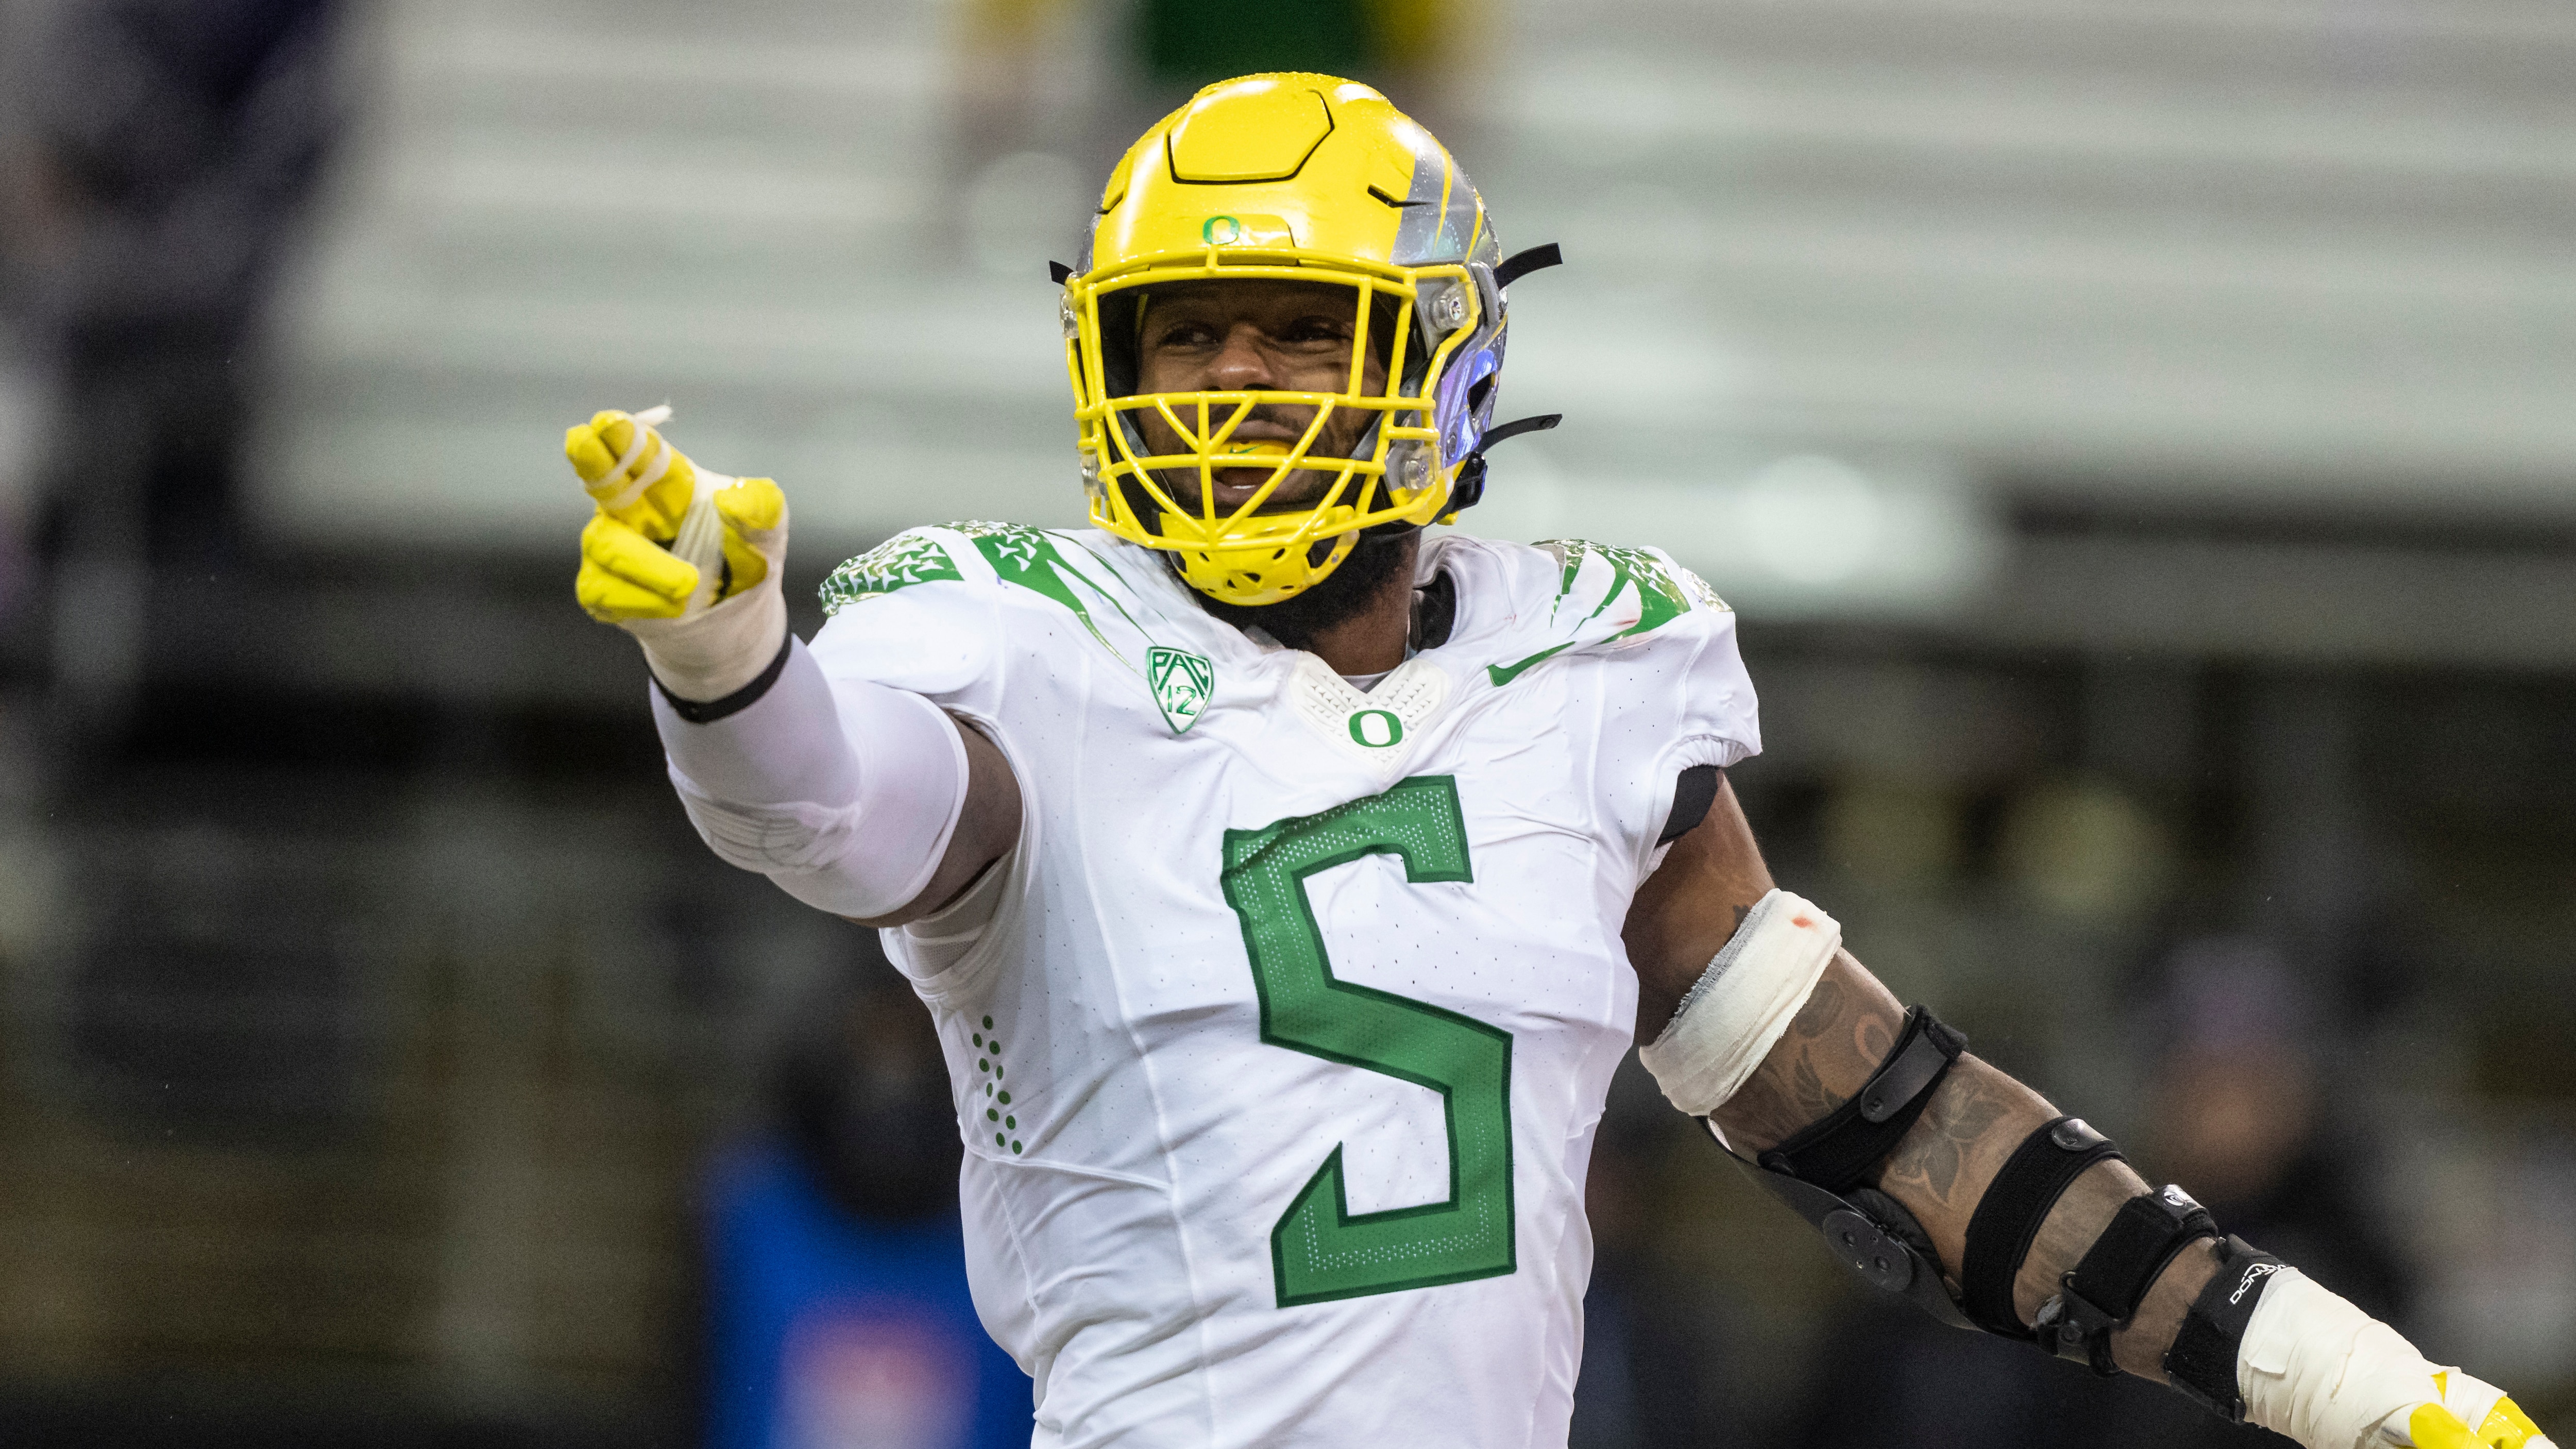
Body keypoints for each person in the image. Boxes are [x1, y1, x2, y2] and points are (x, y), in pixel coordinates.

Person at [562, 74, 2554, 1449]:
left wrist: (2340, 1376)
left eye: (1296, 329)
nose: (1235, 384)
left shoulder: (1589, 656)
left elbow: (1898, 1129)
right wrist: (730, 659)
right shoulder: (1026, 641)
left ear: (1447, 360)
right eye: (1190, 337)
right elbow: (842, 807)